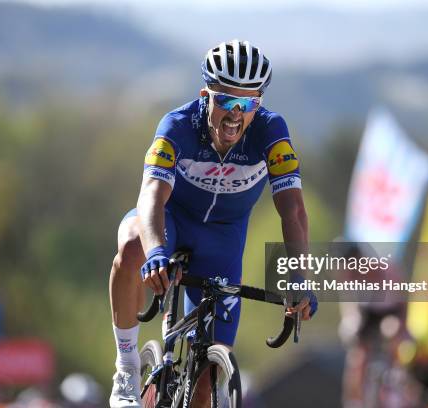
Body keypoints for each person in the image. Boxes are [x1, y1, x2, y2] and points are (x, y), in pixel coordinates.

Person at [108, 39, 317, 407]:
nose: (236, 114)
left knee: (206, 386)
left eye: (247, 103)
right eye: (226, 100)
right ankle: (126, 367)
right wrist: (155, 251)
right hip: (171, 220)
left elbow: (294, 211)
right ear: (206, 95)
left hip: (223, 240)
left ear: (258, 105)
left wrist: (299, 278)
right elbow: (152, 197)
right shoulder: (177, 126)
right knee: (130, 247)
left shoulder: (272, 133)